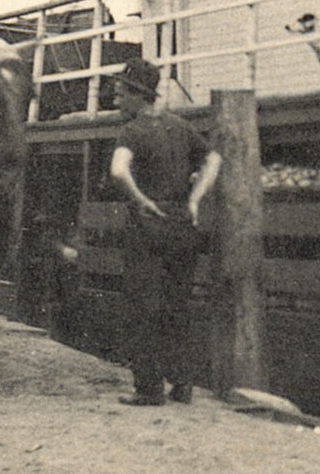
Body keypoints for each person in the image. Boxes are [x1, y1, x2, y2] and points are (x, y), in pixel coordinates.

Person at [108, 58, 222, 406]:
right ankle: (183, 384)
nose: (116, 101)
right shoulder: (180, 126)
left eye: (120, 94)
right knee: (177, 305)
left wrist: (140, 199)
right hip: (181, 225)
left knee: (143, 307)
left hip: (148, 228)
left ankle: (149, 389)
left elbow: (118, 170)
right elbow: (214, 159)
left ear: (136, 94)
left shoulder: (132, 130)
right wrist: (195, 199)